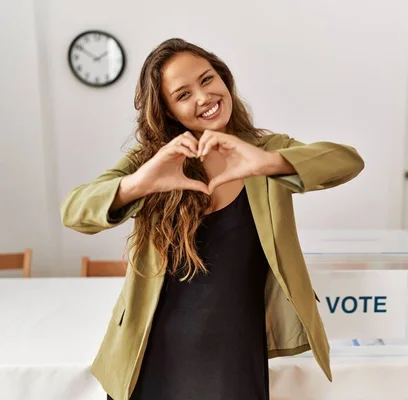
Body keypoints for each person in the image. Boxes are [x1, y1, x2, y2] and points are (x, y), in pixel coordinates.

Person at [61, 38, 364, 400]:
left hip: (234, 353)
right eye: (183, 94)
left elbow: (348, 161)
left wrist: (269, 164)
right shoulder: (153, 160)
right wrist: (139, 183)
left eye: (207, 80)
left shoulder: (264, 150)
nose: (203, 97)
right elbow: (74, 211)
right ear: (169, 110)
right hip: (153, 349)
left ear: (223, 79)